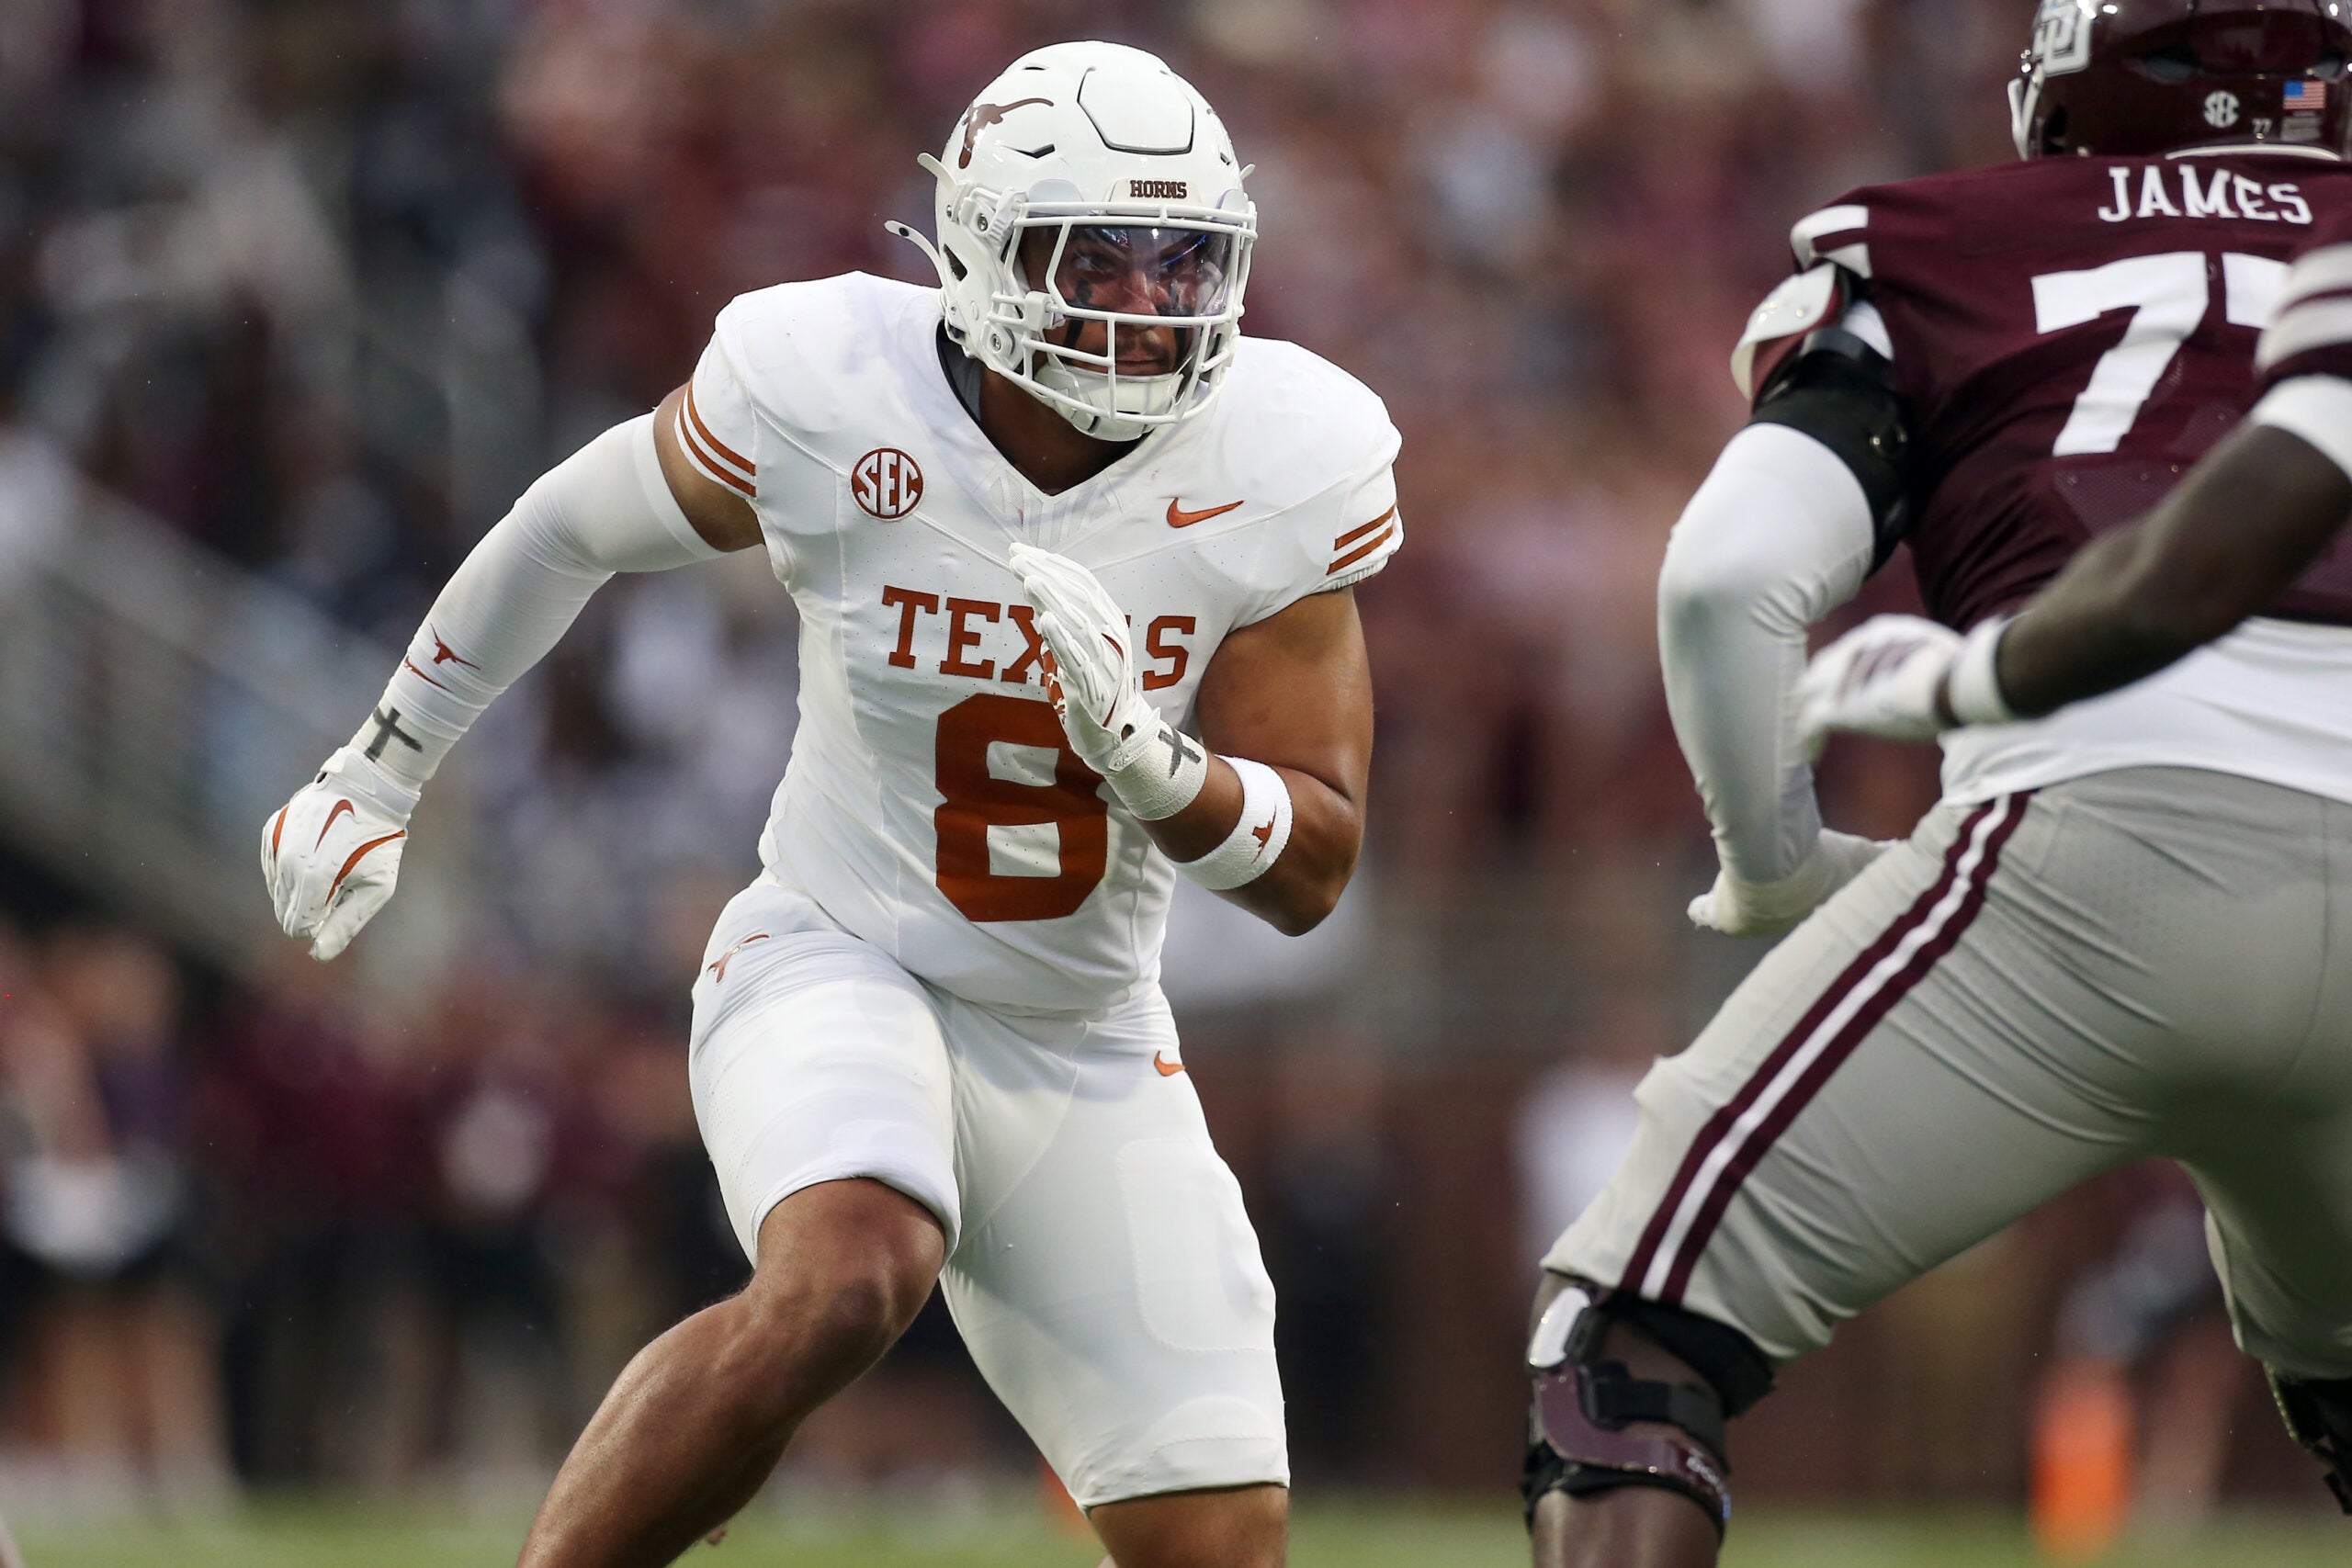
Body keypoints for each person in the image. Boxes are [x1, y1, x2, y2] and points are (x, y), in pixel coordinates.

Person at [259, 40, 1402, 1568]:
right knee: (854, 1268)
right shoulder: (832, 385)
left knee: (1220, 1543)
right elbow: (568, 526)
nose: (1149, 303)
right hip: (843, 949)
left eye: (1183, 260)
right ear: (985, 250)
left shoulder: (1280, 452)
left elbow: (1312, 865)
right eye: (1100, 260)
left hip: (1082, 1031)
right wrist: (381, 764)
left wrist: (1158, 767)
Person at [1521, 6, 2352, 1563]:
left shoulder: (1947, 246)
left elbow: (1729, 580)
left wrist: (1771, 864)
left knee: (1632, 1347)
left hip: (2096, 850)